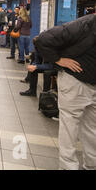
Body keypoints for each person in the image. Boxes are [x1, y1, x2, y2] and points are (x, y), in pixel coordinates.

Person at [34, 14, 96, 170]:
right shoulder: (83, 25)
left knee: (92, 130)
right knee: (70, 128)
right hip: (75, 83)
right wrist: (59, 60)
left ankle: (92, 165)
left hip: (93, 85)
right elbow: (42, 40)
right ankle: (68, 167)